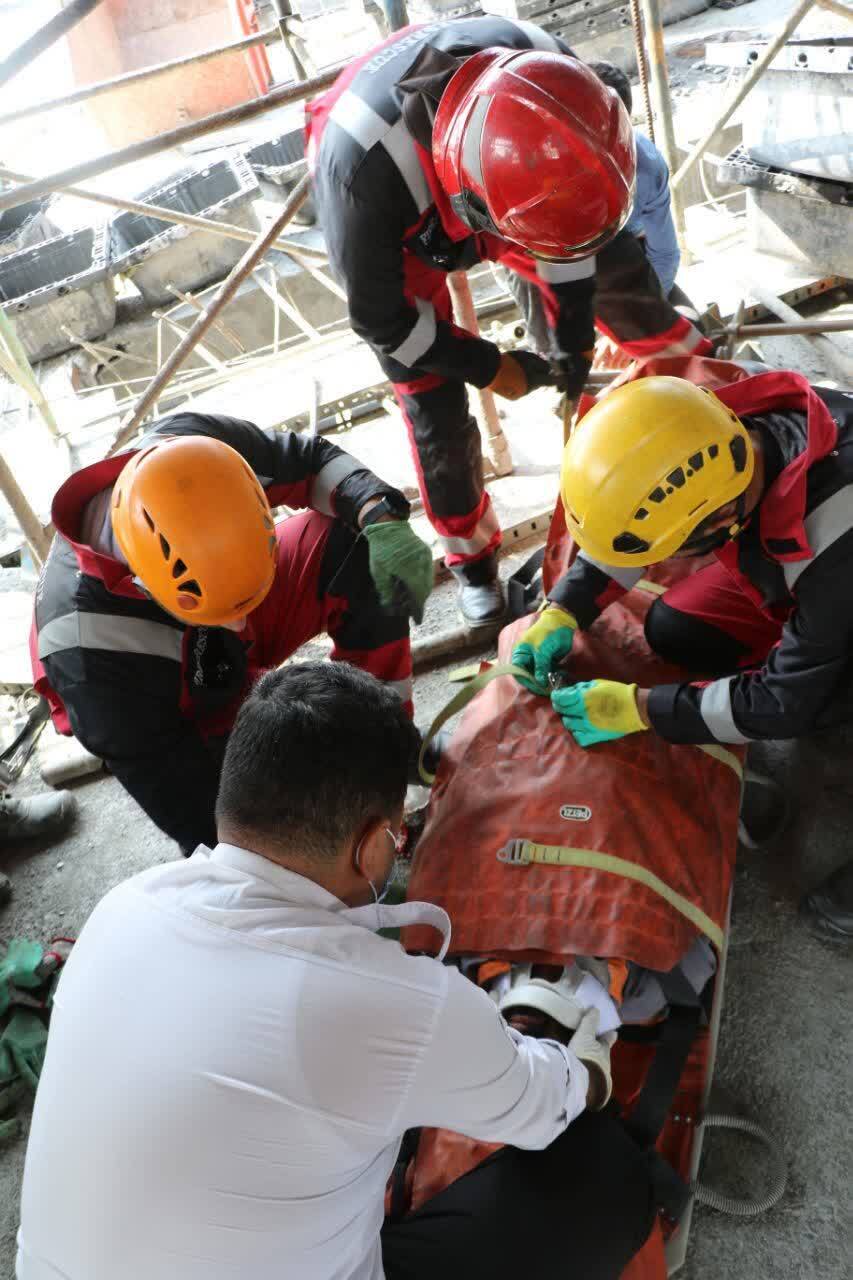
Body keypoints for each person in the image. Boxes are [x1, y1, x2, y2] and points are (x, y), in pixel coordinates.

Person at [17, 662, 655, 1280]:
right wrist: (577, 1058)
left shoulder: (123, 907)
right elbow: (545, 1109)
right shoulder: (395, 1003)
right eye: (399, 839)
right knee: (606, 1173)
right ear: (373, 842)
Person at [308, 15, 710, 626]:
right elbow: (386, 324)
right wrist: (491, 366)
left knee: (627, 290)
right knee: (435, 410)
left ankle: (718, 404)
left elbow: (578, 258)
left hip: (526, 182)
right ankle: (473, 566)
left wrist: (571, 346)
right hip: (407, 222)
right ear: (475, 212)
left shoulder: (558, 85)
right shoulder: (361, 178)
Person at [512, 371, 853, 944]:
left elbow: (782, 703)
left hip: (839, 570)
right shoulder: (712, 436)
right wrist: (563, 610)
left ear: (723, 521)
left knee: (821, 706)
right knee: (677, 627)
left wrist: (644, 709)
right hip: (823, 577)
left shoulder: (837, 524)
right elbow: (643, 527)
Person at [31, 412, 433, 856]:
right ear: (146, 582)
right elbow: (204, 825)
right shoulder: (95, 670)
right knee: (267, 820)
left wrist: (378, 514)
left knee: (354, 541)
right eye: (228, 616)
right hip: (168, 689)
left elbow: (311, 460)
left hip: (201, 619)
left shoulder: (196, 452)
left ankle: (392, 747)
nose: (243, 628)